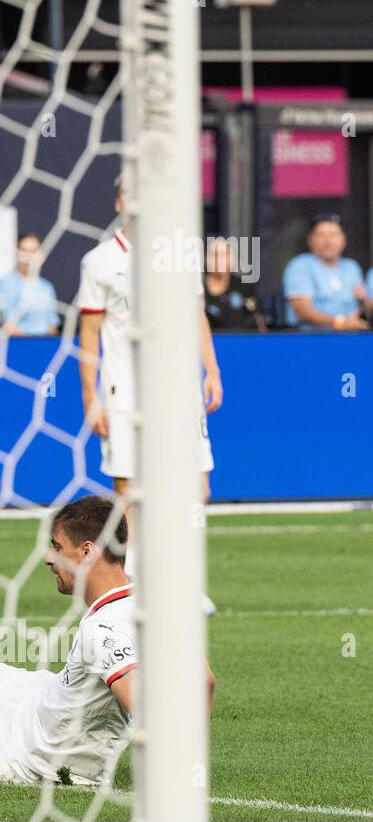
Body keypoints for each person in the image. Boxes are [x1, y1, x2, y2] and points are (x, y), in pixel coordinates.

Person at [78, 178, 223, 618]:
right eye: (129, 194)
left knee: (197, 486)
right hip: (126, 391)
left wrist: (211, 368)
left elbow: (195, 312)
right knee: (129, 489)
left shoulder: (180, 252)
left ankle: (183, 582)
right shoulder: (99, 261)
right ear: (120, 201)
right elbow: (88, 333)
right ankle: (133, 584)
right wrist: (91, 397)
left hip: (180, 388)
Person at [0, 496, 216, 785]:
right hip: (35, 699)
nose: (48, 559)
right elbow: (205, 681)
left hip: (22, 752)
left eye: (57, 547)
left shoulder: (102, 630)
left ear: (87, 551)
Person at [282, 214, 369, 330]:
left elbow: (364, 309)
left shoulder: (351, 267)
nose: (328, 241)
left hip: (349, 337)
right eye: (321, 235)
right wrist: (340, 323)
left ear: (343, 240)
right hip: (311, 340)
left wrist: (363, 302)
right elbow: (302, 311)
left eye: (333, 235)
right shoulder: (301, 265)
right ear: (310, 240)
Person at [0, 232, 60, 336]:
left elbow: (52, 326)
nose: (29, 256)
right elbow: (4, 325)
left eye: (33, 251)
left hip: (45, 345)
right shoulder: (4, 284)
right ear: (16, 253)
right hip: (15, 345)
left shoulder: (47, 287)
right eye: (24, 251)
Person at [204, 237, 267, 333]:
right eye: (214, 254)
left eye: (223, 254)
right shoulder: (196, 288)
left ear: (231, 257)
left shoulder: (243, 287)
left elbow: (258, 321)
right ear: (205, 258)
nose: (219, 260)